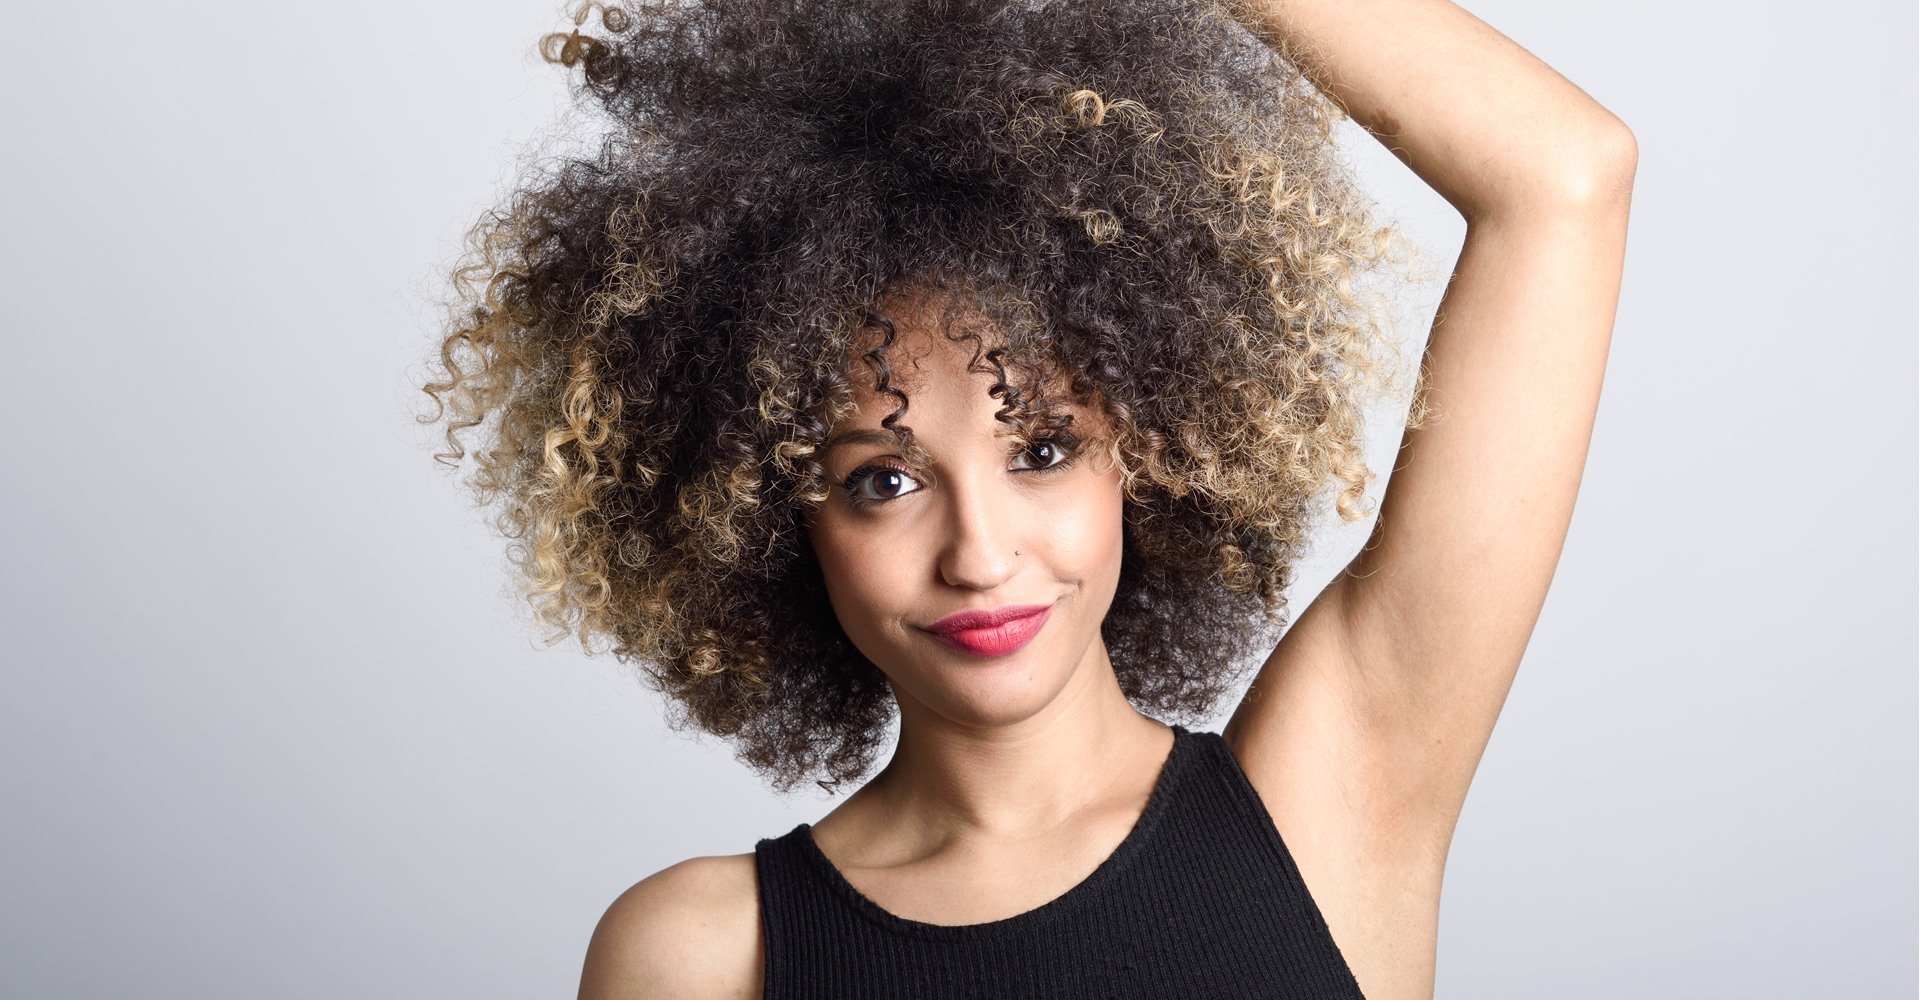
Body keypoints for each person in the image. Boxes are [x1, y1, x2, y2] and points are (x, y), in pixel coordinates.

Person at [417, 0, 1636, 996]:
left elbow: (1563, 176)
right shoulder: (701, 956)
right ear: (771, 522)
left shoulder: (1337, 796)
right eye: (885, 480)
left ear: (1146, 449)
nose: (981, 553)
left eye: (1043, 449)